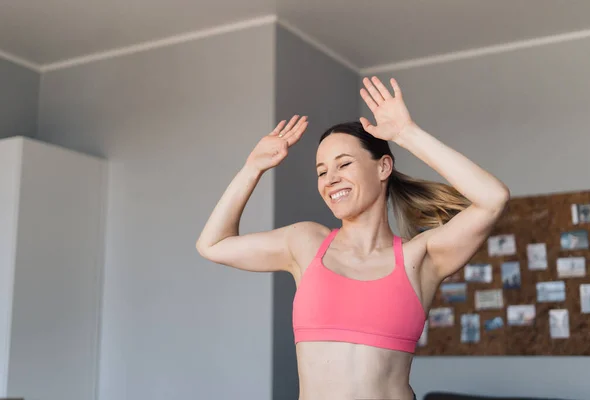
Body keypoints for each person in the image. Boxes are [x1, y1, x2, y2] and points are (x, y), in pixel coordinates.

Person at [196, 76, 510, 400]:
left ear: (383, 167)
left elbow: (493, 199)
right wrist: (253, 167)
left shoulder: (420, 259)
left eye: (344, 164)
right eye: (321, 171)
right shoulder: (305, 243)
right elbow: (212, 244)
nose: (331, 179)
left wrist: (407, 134)